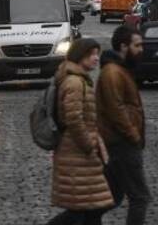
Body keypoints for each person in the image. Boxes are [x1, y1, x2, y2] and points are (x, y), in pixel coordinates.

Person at [47, 38, 114, 225]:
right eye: (92, 54)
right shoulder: (75, 83)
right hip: (77, 154)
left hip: (80, 154)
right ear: (79, 56)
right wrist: (88, 144)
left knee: (90, 208)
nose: (96, 59)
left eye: (97, 54)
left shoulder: (79, 80)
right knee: (80, 210)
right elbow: (74, 119)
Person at [97, 26, 150, 225]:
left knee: (113, 197)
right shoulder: (113, 72)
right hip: (122, 143)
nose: (141, 49)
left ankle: (80, 219)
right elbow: (116, 110)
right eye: (137, 45)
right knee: (140, 197)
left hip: (119, 142)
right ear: (123, 47)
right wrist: (133, 135)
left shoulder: (120, 69)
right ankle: (75, 218)